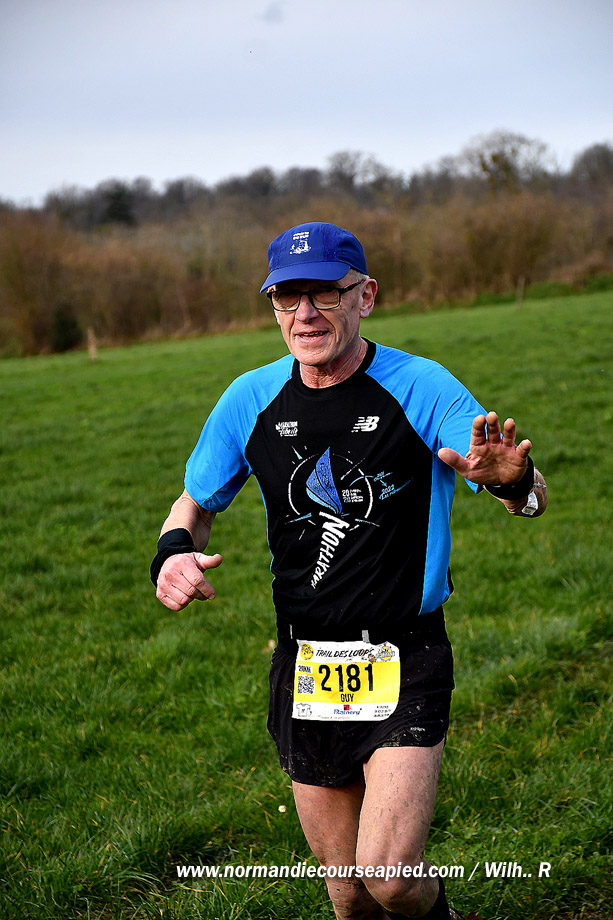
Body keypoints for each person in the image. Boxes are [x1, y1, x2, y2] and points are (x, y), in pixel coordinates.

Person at [151, 222, 547, 920]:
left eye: (325, 295)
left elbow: (521, 486)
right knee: (350, 897)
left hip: (405, 651)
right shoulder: (249, 398)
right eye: (287, 298)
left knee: (390, 877)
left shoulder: (420, 385)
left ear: (365, 296)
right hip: (306, 660)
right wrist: (173, 551)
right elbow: (195, 502)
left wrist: (513, 482)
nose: (305, 314)